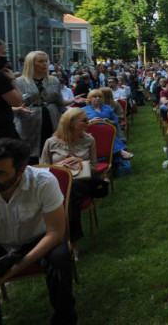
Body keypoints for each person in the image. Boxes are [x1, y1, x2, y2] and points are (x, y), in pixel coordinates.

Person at [0, 138, 77, 324]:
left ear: (21, 171)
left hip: (41, 237)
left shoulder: (43, 181)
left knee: (59, 258)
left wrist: (12, 270)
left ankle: (65, 316)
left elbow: (55, 233)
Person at [40, 108, 108, 259]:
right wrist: (60, 166)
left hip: (81, 182)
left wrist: (81, 162)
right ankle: (65, 239)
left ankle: (71, 241)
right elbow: (42, 169)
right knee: (64, 193)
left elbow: (94, 168)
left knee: (70, 192)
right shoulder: (51, 142)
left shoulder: (89, 139)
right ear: (70, 123)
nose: (88, 123)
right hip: (56, 182)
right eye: (84, 120)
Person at [15, 51, 85, 162]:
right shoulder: (19, 82)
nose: (45, 64)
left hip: (51, 118)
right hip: (29, 121)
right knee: (30, 153)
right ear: (31, 63)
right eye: (40, 61)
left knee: (52, 149)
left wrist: (72, 100)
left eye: (46, 61)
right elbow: (13, 105)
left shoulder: (54, 81)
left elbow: (59, 102)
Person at [82, 89, 134, 160]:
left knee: (106, 132)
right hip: (92, 133)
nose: (97, 98)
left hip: (108, 130)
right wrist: (90, 121)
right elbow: (80, 124)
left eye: (99, 96)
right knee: (103, 132)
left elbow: (116, 121)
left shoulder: (107, 108)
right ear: (90, 98)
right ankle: (121, 151)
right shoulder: (84, 110)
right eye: (95, 96)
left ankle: (118, 153)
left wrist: (109, 121)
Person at [0, 38, 23, 141]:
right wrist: (12, 79)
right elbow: (17, 101)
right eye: (3, 53)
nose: (5, 57)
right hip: (0, 132)